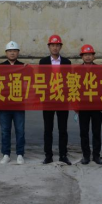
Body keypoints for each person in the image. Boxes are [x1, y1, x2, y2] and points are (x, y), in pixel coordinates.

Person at [39, 34, 72, 165]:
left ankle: (63, 155)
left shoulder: (67, 62)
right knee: (48, 129)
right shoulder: (43, 62)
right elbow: (40, 80)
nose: (55, 48)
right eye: (52, 45)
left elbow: (69, 81)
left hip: (62, 99)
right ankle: (48, 155)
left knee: (63, 129)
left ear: (60, 47)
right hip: (48, 100)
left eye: (57, 45)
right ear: (49, 47)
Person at [0, 41, 26, 165]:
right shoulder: (1, 66)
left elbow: (30, 82)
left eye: (14, 51)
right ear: (6, 53)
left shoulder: (23, 66)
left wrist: (29, 69)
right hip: (4, 104)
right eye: (10, 51)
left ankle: (20, 154)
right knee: (5, 131)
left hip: (19, 104)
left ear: (18, 52)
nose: (12, 53)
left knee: (20, 130)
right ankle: (6, 154)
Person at [77, 44, 102, 165]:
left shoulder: (100, 70)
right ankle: (86, 155)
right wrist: (75, 105)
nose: (88, 57)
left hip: (96, 106)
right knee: (84, 132)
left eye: (90, 54)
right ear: (82, 56)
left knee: (96, 132)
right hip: (83, 106)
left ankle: (96, 155)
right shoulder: (77, 70)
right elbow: (74, 88)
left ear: (93, 56)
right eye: (85, 55)